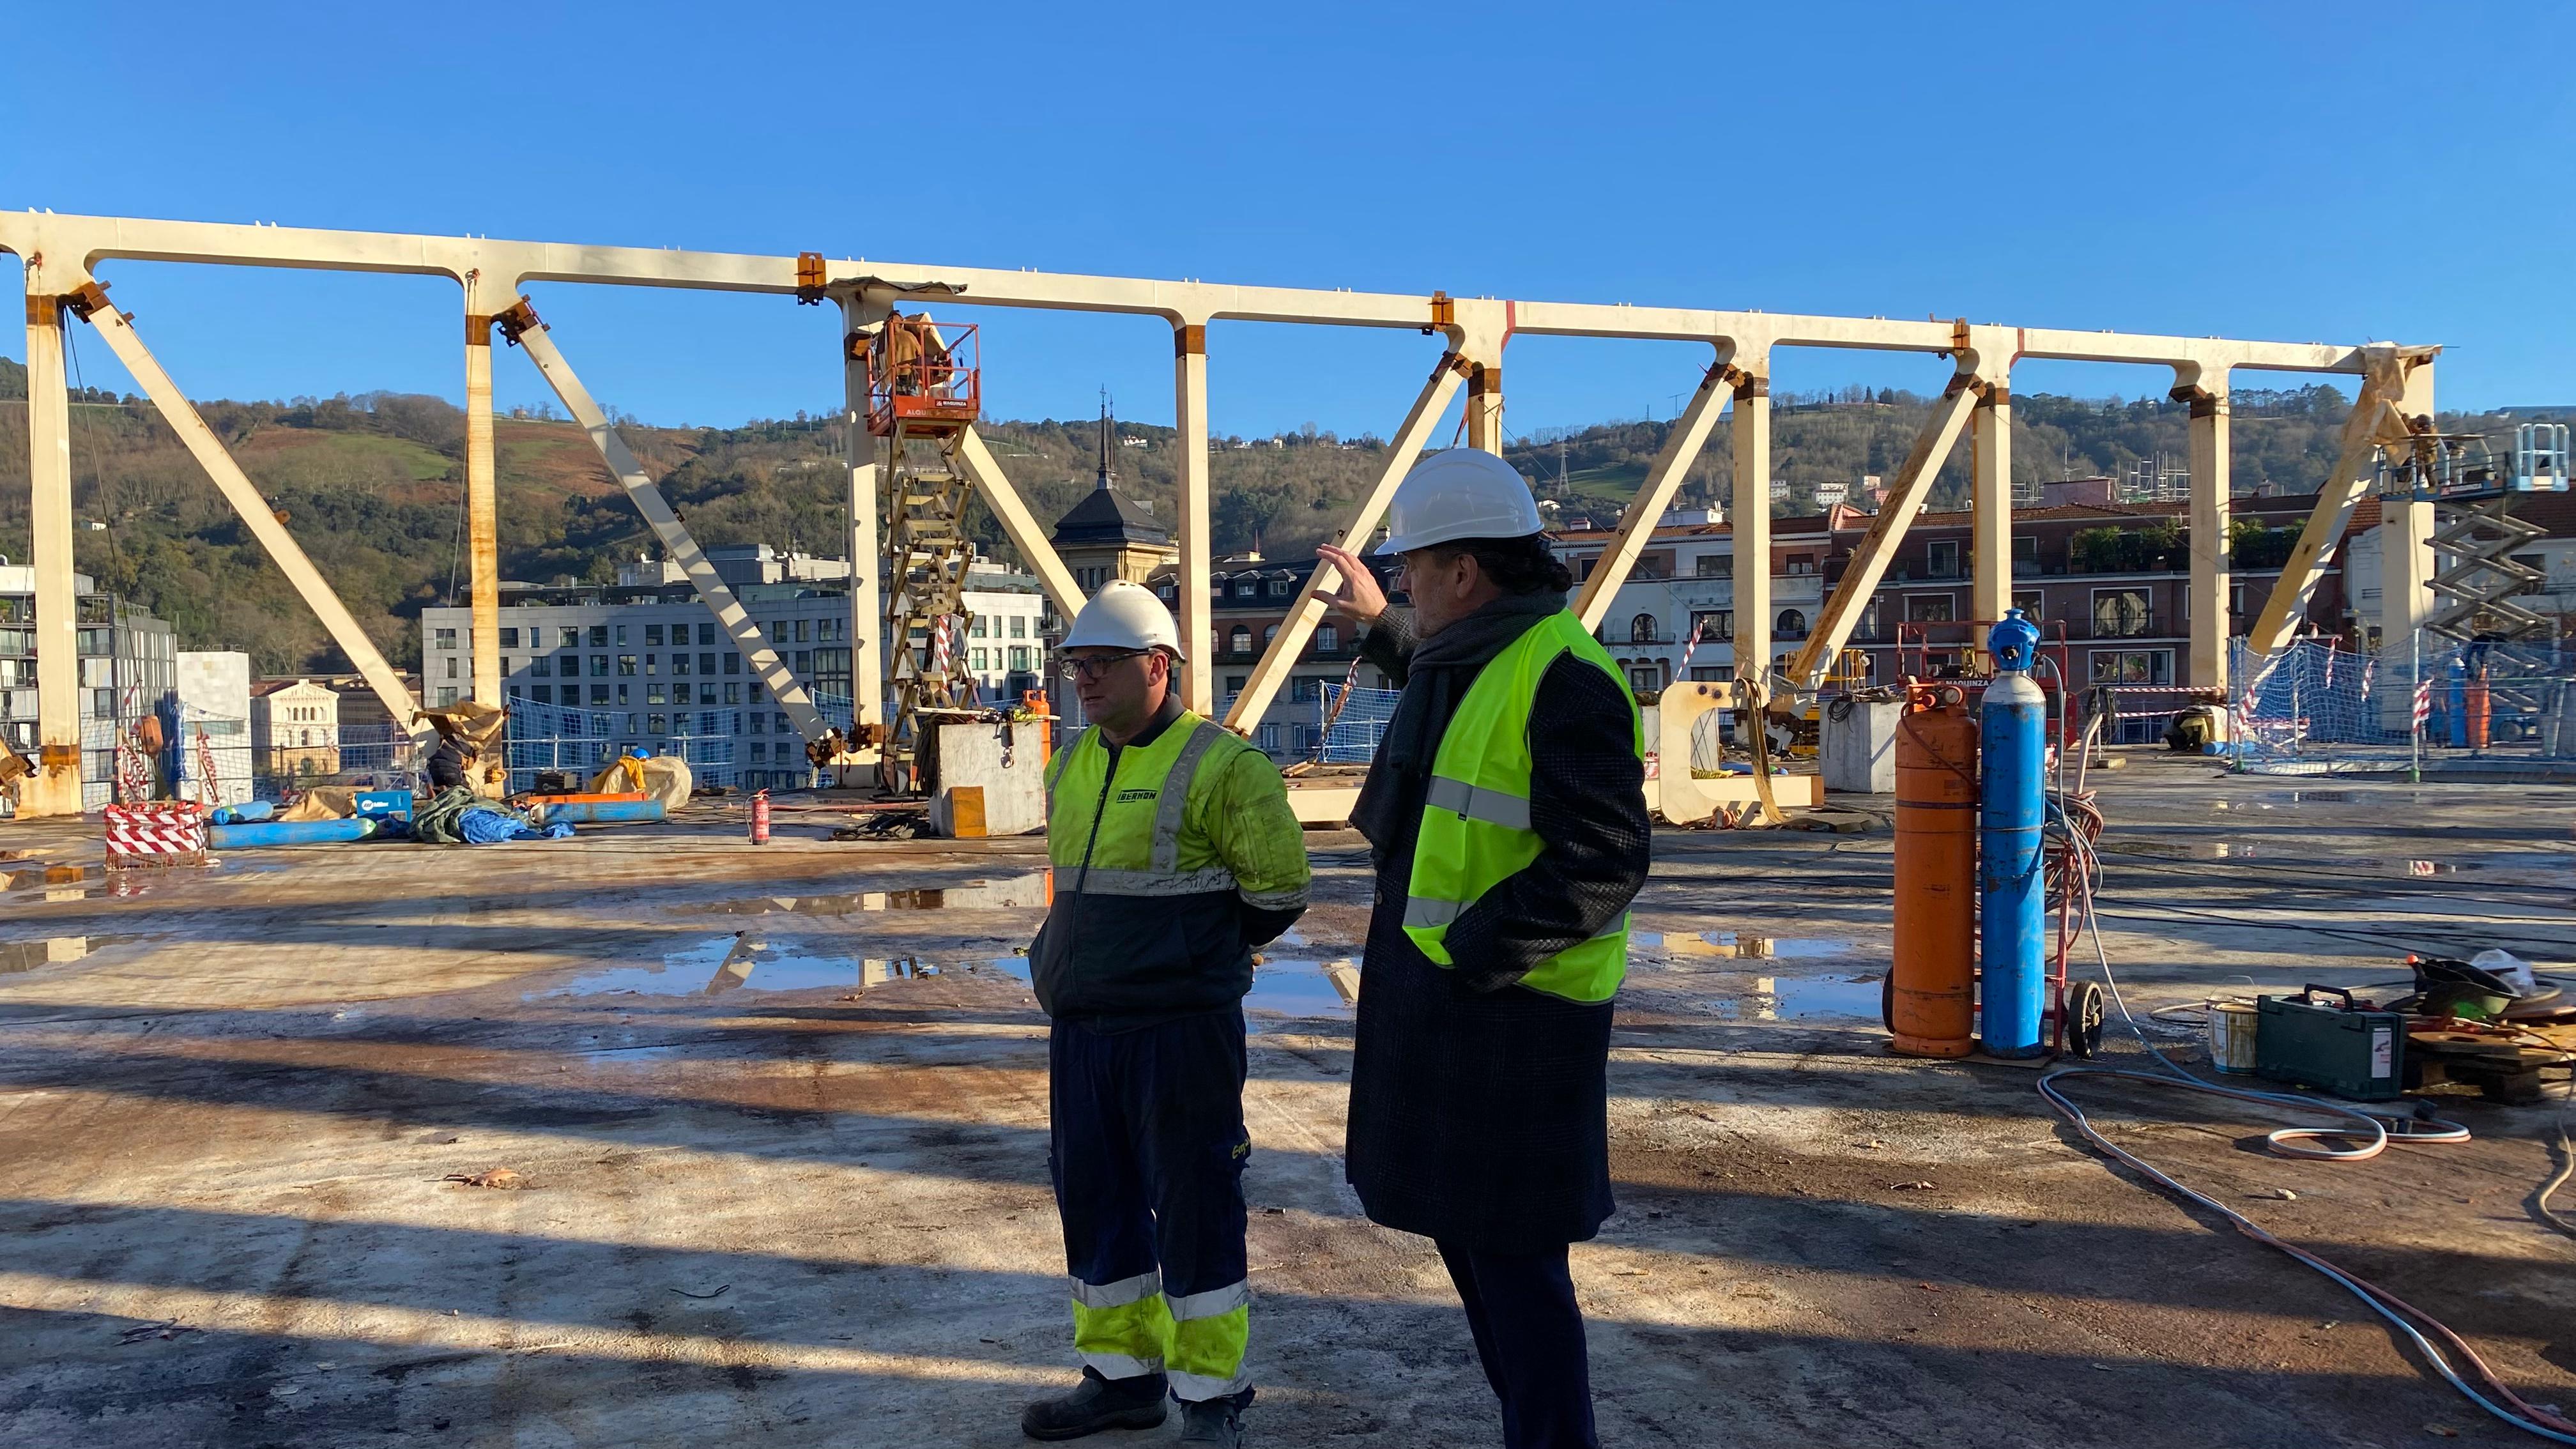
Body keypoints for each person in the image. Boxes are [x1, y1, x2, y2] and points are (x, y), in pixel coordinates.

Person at [1316, 448, 1651, 1449]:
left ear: (1466, 572)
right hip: (1457, 1008)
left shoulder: (1563, 677)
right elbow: (1441, 676)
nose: (1409, 586)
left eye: (1417, 569)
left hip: (1515, 1022)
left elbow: (1605, 860)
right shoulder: (1489, 651)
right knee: (1476, 1251)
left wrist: (1469, 955)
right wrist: (1382, 623)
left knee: (1518, 1274)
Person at [1022, 579, 1311, 1448]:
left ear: (1158, 666)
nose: (1083, 678)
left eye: (1101, 663)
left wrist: (1187, 955)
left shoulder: (1223, 766)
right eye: (1076, 663)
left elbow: (1279, 892)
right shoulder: (1072, 764)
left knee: (1196, 1208)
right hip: (1084, 1029)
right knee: (1096, 1202)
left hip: (1179, 1033)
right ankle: (1121, 1380)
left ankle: (1211, 1398)